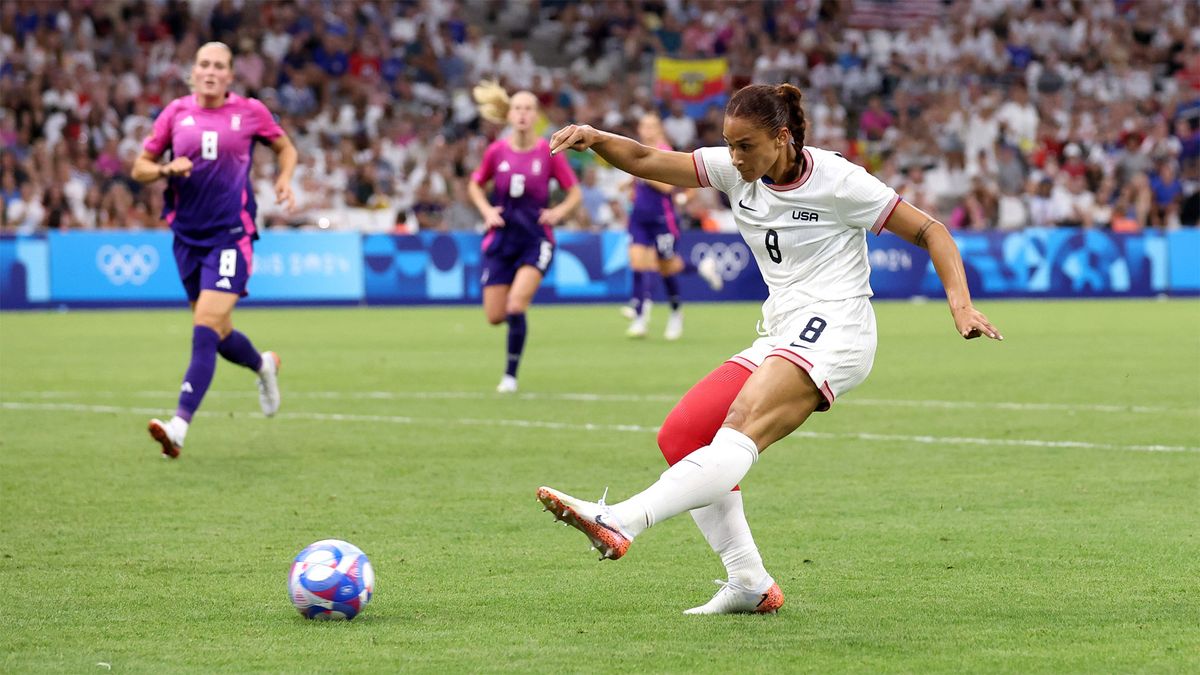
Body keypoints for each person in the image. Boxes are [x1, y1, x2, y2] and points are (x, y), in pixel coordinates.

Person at [536, 84, 1002, 615]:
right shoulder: (739, 169)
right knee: (683, 435)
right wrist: (595, 138)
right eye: (729, 145)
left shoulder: (840, 180)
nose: (734, 158)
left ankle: (620, 519)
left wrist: (960, 306)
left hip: (839, 326)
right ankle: (750, 583)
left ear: (782, 138)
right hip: (784, 329)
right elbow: (644, 158)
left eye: (746, 146)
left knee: (739, 425)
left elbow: (931, 230)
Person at [131, 42, 297, 458]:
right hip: (187, 238)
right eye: (203, 64)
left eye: (219, 66)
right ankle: (264, 365)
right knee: (218, 333)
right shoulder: (175, 113)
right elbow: (140, 167)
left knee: (204, 324)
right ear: (193, 71)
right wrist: (167, 168)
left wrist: (284, 179)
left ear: (229, 76)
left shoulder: (250, 112)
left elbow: (285, 147)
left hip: (230, 236)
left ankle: (179, 428)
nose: (210, 71)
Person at [467, 81, 582, 393]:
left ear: (536, 115)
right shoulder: (496, 151)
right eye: (517, 108)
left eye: (528, 109)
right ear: (509, 114)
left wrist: (558, 213)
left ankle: (510, 376)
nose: (522, 114)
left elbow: (574, 193)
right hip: (501, 240)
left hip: (536, 239)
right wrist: (486, 211)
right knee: (495, 316)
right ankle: (513, 348)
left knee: (516, 305)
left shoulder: (549, 152)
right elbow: (475, 184)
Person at [622, 113, 723, 340]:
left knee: (667, 268)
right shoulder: (637, 150)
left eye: (651, 126)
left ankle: (676, 313)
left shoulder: (664, 152)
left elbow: (668, 187)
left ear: (658, 129)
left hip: (662, 219)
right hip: (639, 218)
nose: (647, 130)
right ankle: (640, 318)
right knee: (638, 263)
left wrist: (642, 174)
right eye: (644, 126)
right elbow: (640, 181)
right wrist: (630, 183)